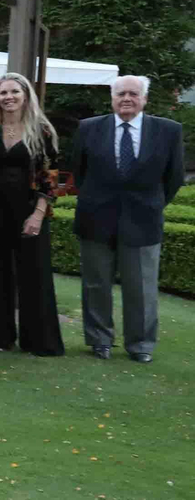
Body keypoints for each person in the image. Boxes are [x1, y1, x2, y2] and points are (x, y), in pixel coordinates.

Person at [72, 74, 182, 364]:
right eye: (121, 94)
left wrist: (150, 205)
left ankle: (141, 344)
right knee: (96, 285)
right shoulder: (88, 128)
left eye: (133, 94)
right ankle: (99, 340)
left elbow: (173, 179)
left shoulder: (168, 131)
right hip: (96, 218)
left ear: (145, 99)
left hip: (143, 220)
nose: (127, 99)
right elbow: (79, 173)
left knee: (142, 288)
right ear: (112, 98)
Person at [0, 72, 65, 356]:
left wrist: (38, 215)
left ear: (26, 95)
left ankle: (40, 341)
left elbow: (50, 179)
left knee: (34, 275)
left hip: (30, 211)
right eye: (3, 93)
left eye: (14, 92)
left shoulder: (42, 130)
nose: (8, 97)